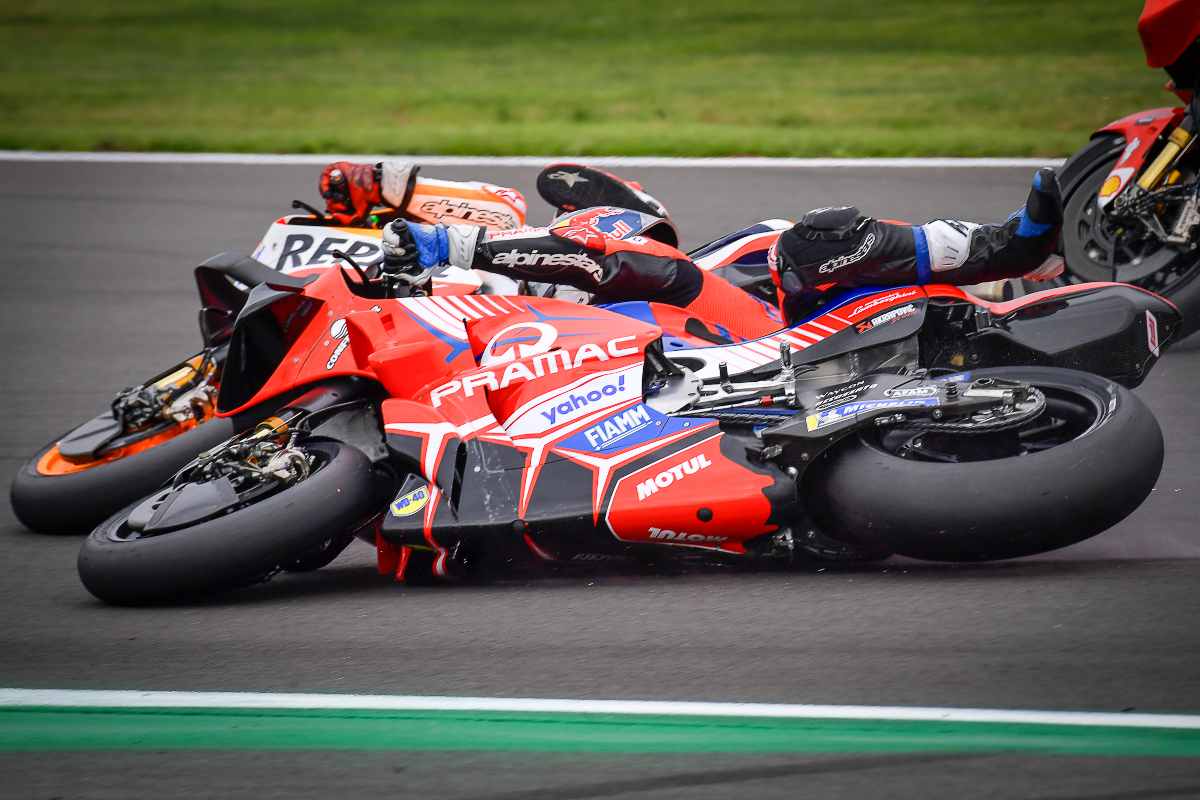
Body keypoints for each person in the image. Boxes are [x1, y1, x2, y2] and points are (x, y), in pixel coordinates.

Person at [320, 160, 1063, 338]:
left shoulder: (650, 249)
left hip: (729, 347)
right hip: (534, 360)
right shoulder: (604, 245)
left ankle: (1010, 252)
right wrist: (374, 201)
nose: (580, 217)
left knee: (820, 234)